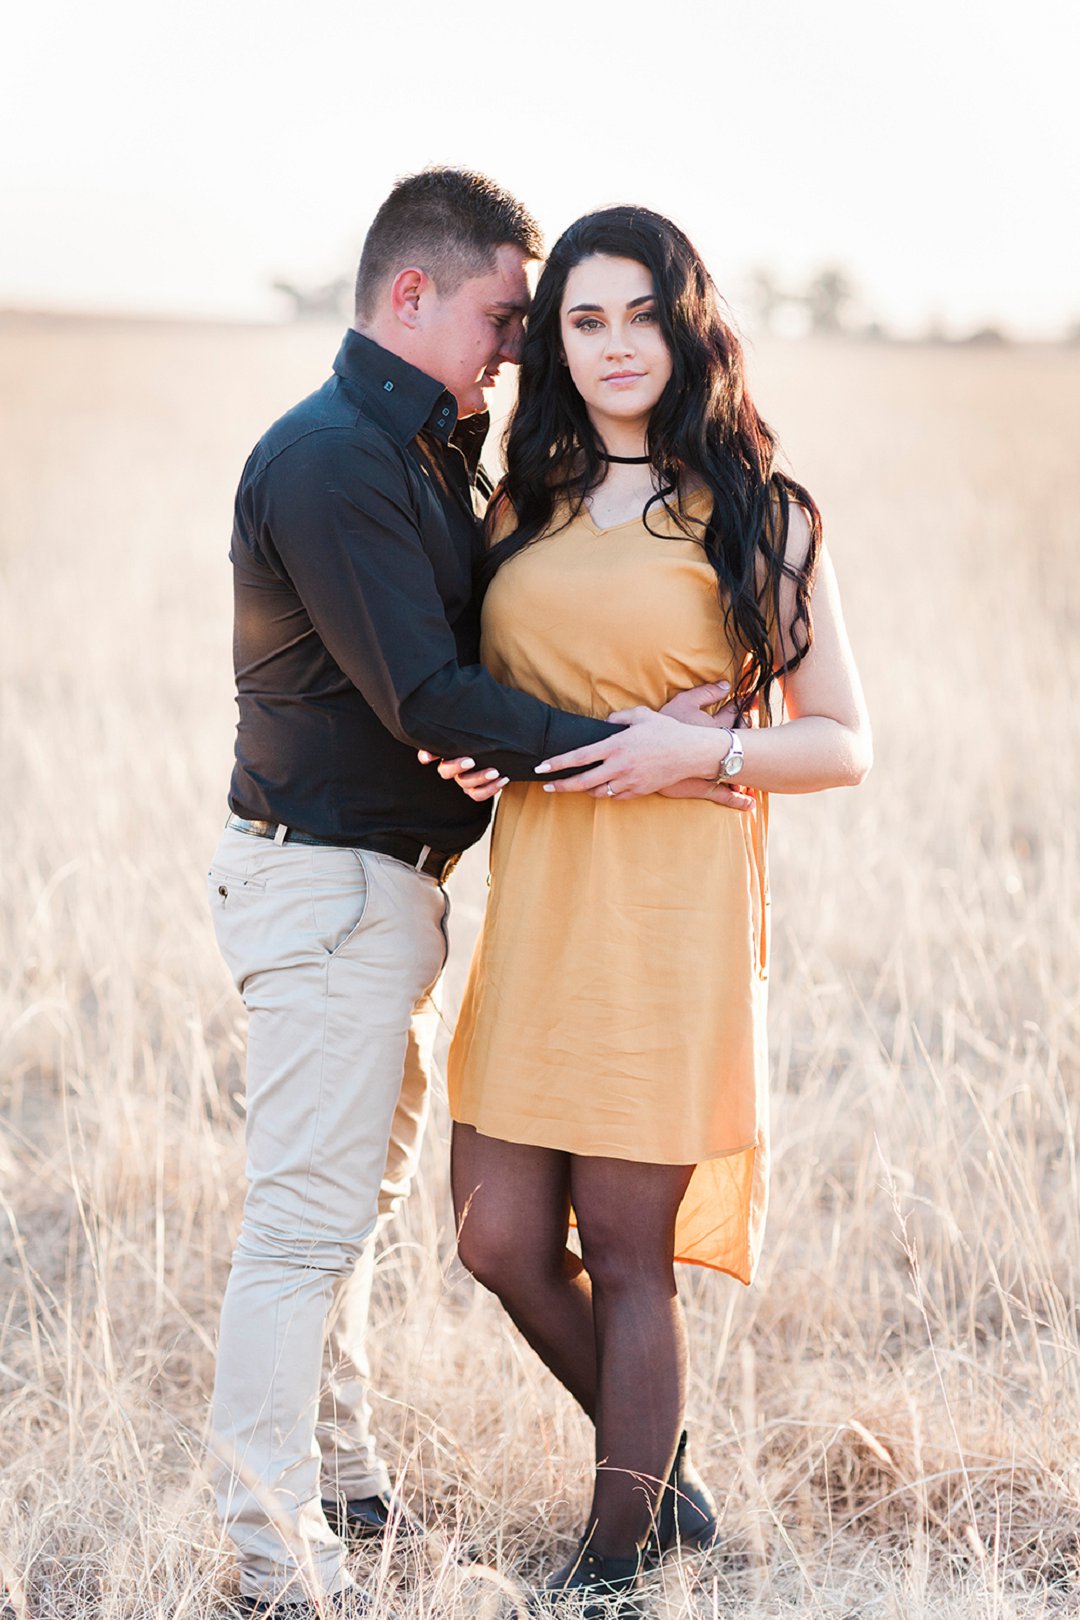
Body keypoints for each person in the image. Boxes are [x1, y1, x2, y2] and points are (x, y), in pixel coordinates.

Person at [205, 171, 750, 1618]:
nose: (524, 346)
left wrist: (672, 720)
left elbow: (461, 682)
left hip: (393, 895)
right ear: (410, 296)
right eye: (510, 314)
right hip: (322, 887)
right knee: (308, 1230)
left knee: (351, 1216)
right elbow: (427, 691)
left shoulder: (436, 451)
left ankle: (346, 1483)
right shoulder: (333, 461)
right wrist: (652, 745)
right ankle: (277, 1555)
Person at [433, 206, 873, 1615]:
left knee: (629, 1255)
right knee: (497, 1236)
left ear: (687, 325)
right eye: (585, 319)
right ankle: (667, 1483)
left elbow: (843, 740)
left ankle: (615, 1567)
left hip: (668, 925)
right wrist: (468, 743)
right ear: (557, 342)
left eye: (641, 314)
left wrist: (709, 749)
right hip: (544, 906)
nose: (618, 346)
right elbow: (479, 690)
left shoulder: (761, 510)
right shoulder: (524, 503)